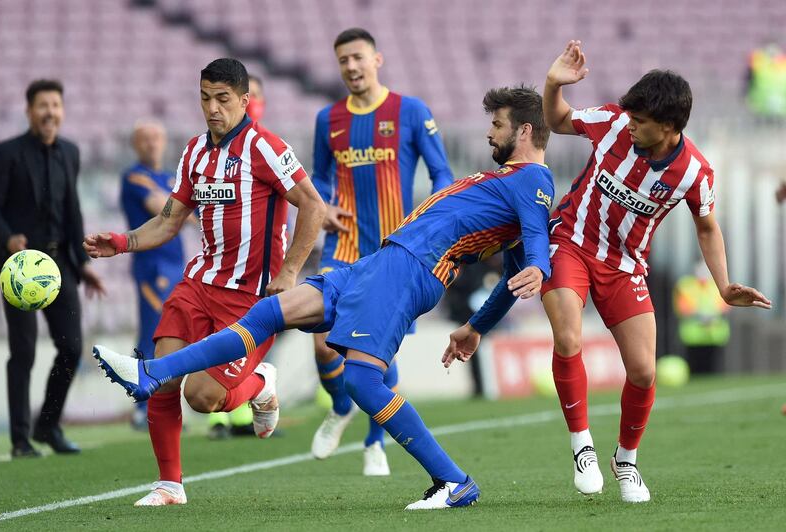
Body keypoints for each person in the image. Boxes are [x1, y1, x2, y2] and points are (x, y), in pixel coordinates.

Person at [93, 85, 554, 510]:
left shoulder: (533, 181)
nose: (490, 132)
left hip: (410, 270)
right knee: (272, 311)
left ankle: (453, 481)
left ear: (525, 130)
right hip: (380, 261)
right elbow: (514, 268)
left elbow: (532, 246)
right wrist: (476, 327)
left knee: (363, 381)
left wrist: (540, 265)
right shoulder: (508, 180)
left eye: (497, 125)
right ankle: (152, 373)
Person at [84, 58, 326, 506]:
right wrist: (119, 242)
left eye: (223, 99)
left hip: (249, 299)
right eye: (205, 98)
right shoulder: (195, 151)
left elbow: (312, 205)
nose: (212, 108)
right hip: (197, 284)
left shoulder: (264, 147)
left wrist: (289, 272)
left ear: (244, 100)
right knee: (162, 377)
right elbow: (168, 222)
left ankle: (260, 384)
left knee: (203, 399)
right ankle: (169, 484)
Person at [541, 40, 772, 503]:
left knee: (644, 372)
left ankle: (625, 460)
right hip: (570, 242)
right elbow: (558, 119)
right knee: (568, 338)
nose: (630, 124)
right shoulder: (610, 122)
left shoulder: (694, 173)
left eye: (641, 121)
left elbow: (707, 228)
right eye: (630, 115)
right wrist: (552, 84)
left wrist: (724, 286)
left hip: (625, 266)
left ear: (668, 127)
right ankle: (581, 446)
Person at [310, 27, 454, 475]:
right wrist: (323, 208)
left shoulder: (409, 111)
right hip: (344, 245)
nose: (351, 67)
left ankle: (376, 442)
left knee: (375, 356)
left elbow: (443, 174)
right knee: (321, 343)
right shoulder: (327, 119)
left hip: (394, 252)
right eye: (343, 61)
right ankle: (341, 407)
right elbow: (317, 179)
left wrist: (428, 227)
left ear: (377, 59)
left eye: (357, 57)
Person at [0, 79, 105, 458]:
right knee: (23, 352)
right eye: (42, 105)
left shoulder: (70, 152)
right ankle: (21, 439)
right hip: (19, 269)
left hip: (60, 266)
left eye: (55, 105)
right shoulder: (5, 153)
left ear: (62, 111)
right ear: (29, 111)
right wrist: (8, 239)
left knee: (71, 347)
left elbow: (73, 211)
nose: (50, 112)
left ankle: (48, 426)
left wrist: (83, 263)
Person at [207, 72, 269, 440]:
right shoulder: (208, 151)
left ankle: (245, 409)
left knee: (243, 343)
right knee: (216, 345)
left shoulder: (268, 148)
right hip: (216, 272)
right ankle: (219, 419)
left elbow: (302, 203)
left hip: (258, 274)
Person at [120, 119, 186, 431]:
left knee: (172, 335)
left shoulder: (170, 177)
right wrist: (192, 203)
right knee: (153, 332)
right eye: (144, 138)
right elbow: (164, 208)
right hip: (152, 266)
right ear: (135, 144)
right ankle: (143, 406)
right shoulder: (135, 176)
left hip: (176, 264)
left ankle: (163, 404)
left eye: (156, 137)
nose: (152, 143)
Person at [672, 261, 730, 374]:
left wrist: (711, 316)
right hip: (693, 336)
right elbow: (682, 308)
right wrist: (700, 316)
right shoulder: (686, 286)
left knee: (714, 368)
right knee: (694, 367)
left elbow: (725, 306)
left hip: (714, 335)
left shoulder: (717, 286)